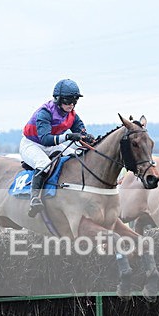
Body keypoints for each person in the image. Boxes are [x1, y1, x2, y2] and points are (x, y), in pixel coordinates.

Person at [20, 79, 94, 217]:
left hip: (53, 143)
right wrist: (68, 137)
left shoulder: (72, 114)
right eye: (67, 101)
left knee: (76, 156)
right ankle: (34, 198)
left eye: (74, 101)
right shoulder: (45, 112)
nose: (71, 104)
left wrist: (87, 137)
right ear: (58, 99)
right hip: (33, 144)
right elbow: (45, 139)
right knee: (43, 164)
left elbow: (81, 131)